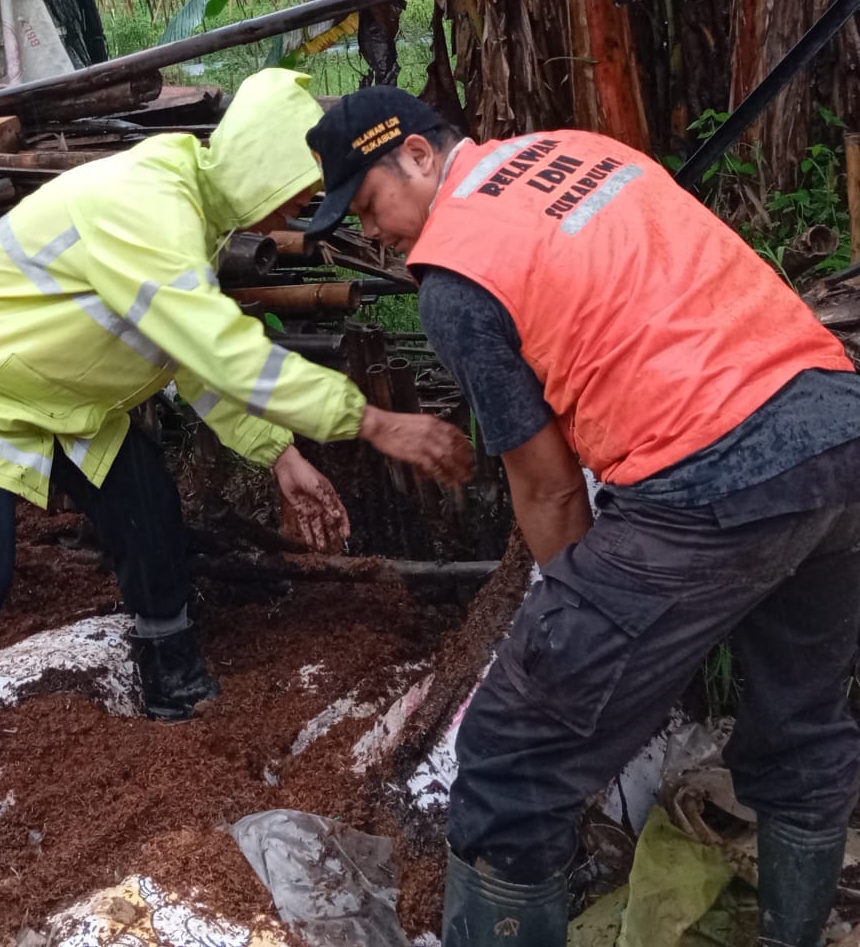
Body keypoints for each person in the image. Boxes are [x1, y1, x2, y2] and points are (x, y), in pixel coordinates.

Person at [0, 68, 473, 874]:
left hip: (62, 400)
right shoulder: (144, 205)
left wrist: (276, 452)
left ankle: (169, 678)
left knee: (147, 512)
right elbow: (214, 344)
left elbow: (191, 351)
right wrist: (372, 420)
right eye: (296, 195)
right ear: (260, 170)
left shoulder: (187, 214)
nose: (295, 218)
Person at [302, 87, 860, 947]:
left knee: (510, 761)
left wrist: (576, 638)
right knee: (803, 720)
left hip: (709, 479)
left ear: (417, 154)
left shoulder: (456, 275)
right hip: (837, 428)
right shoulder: (583, 152)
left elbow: (552, 488)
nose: (374, 235)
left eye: (369, 206)